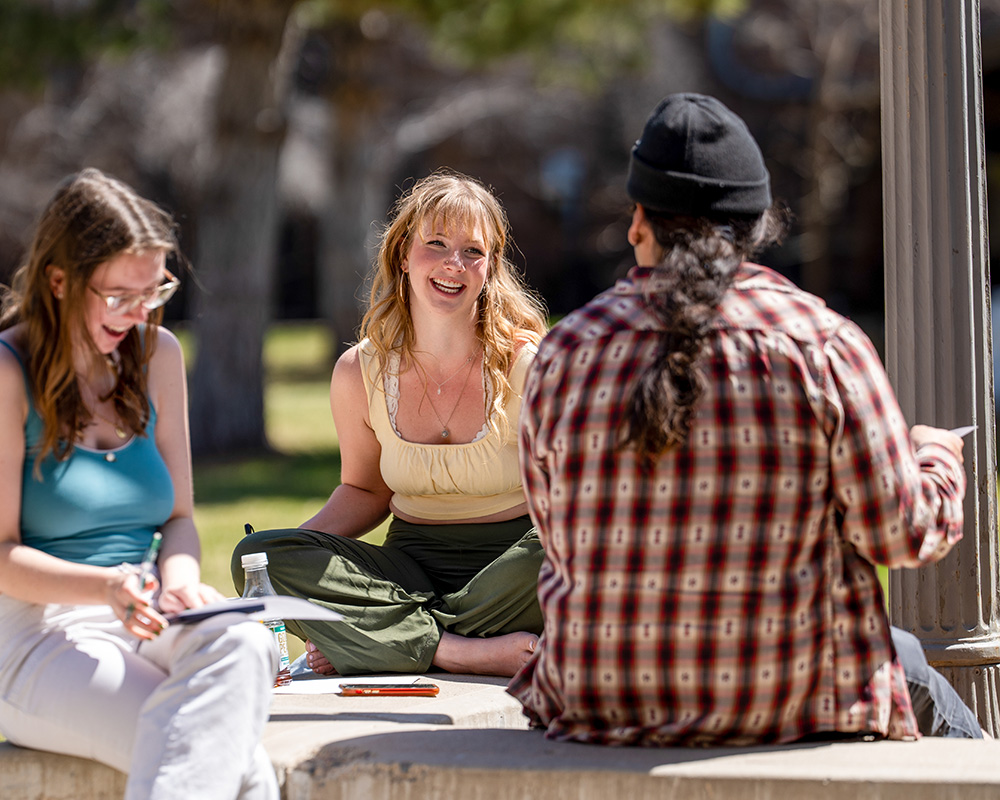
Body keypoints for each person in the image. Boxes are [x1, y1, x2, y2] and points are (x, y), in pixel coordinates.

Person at [508, 93, 982, 745]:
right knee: (935, 700)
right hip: (792, 704)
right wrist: (936, 457)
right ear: (757, 225)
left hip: (602, 704)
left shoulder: (564, 353)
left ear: (639, 222)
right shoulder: (822, 344)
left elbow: (554, 529)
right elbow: (902, 535)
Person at [0, 168, 280, 799]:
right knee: (242, 769)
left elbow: (178, 517)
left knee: (246, 640)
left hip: (148, 612)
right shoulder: (7, 372)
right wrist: (105, 587)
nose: (138, 313)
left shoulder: (159, 356)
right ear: (59, 281)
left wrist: (180, 582)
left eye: (153, 293)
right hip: (39, 633)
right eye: (120, 296)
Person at [232, 170, 548, 677]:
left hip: (512, 572)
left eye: (473, 251)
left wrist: (354, 629)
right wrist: (293, 549)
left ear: (490, 268)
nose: (454, 263)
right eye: (436, 243)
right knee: (257, 557)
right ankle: (458, 649)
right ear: (403, 254)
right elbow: (365, 490)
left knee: (571, 547)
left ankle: (386, 639)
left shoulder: (529, 367)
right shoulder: (359, 372)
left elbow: (571, 505)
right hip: (407, 572)